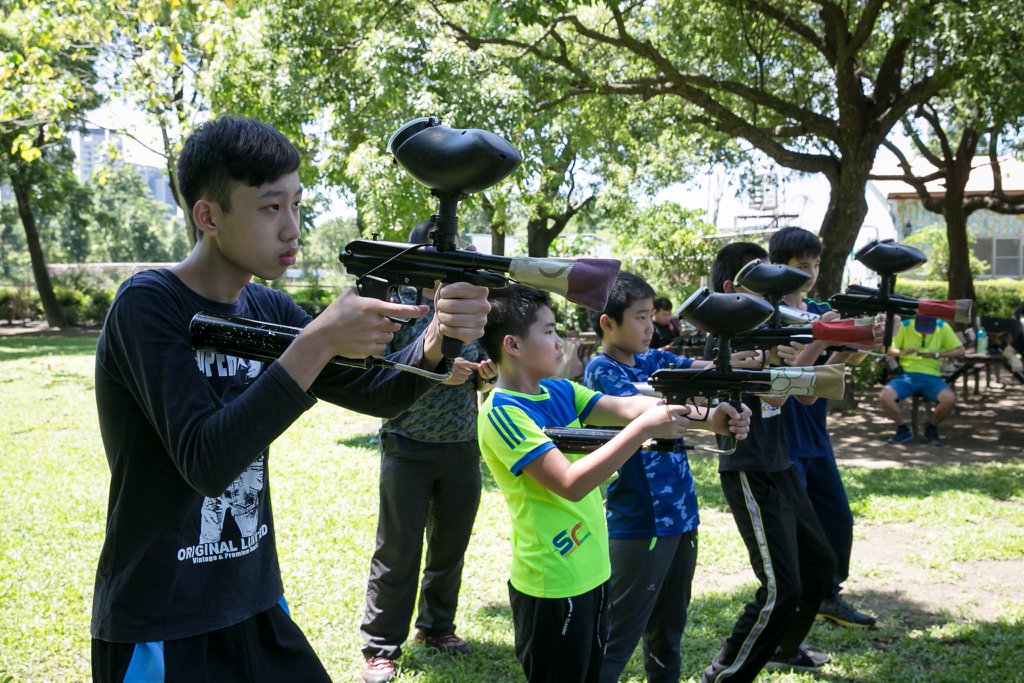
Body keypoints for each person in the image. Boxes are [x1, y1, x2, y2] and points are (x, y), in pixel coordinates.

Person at [90, 116, 491, 682]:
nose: (291, 227)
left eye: (297, 205)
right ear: (208, 216)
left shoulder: (268, 309)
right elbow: (206, 461)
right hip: (160, 620)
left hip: (254, 603)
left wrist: (436, 337)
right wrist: (319, 340)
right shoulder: (147, 304)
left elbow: (377, 393)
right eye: (270, 207)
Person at [477, 284, 750, 683]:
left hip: (594, 570)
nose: (561, 342)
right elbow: (570, 482)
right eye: (550, 331)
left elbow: (627, 407)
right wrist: (642, 429)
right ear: (513, 345)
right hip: (551, 584)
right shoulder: (502, 413)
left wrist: (709, 418)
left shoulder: (561, 390)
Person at [359, 222, 498, 683]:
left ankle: (437, 628)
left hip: (462, 445)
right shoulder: (398, 301)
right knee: (397, 550)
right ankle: (380, 647)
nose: (452, 258)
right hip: (407, 444)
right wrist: (438, 367)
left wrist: (486, 373)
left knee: (449, 547)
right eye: (442, 250)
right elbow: (379, 368)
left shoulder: (475, 306)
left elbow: (490, 373)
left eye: (455, 249)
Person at [701, 242, 838, 682]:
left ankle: (783, 646)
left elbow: (806, 391)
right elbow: (776, 392)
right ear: (733, 289)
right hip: (749, 469)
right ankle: (722, 675)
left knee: (819, 568)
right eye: (766, 281)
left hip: (779, 464)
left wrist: (838, 347)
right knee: (780, 589)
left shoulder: (768, 326)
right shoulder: (730, 332)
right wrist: (818, 343)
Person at [582, 272, 712, 683]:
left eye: (650, 316)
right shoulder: (601, 372)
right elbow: (646, 410)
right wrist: (712, 416)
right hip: (640, 522)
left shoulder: (655, 361)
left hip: (681, 519)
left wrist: (735, 369)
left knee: (668, 635)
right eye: (639, 317)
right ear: (608, 323)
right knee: (617, 638)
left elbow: (701, 372)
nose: (649, 326)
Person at [768, 227, 877, 629]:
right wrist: (820, 337)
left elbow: (839, 372)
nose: (810, 273)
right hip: (783, 441)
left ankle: (829, 596)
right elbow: (791, 385)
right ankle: (794, 608)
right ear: (777, 267)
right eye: (801, 266)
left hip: (817, 436)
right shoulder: (767, 316)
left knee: (838, 521)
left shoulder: (818, 308)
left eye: (814, 265)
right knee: (798, 534)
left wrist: (856, 346)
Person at [879, 315, 965, 446]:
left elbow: (960, 350)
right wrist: (902, 352)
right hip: (906, 376)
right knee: (885, 396)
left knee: (949, 399)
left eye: (928, 328)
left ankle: (931, 429)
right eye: (921, 328)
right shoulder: (905, 325)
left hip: (932, 376)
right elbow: (887, 348)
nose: (924, 331)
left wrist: (937, 354)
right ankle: (903, 430)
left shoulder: (942, 326)